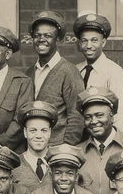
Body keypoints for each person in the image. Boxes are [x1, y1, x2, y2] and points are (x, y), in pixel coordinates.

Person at [68, 13, 123, 144]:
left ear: (103, 42)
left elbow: (120, 113)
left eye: (94, 40)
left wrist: (114, 143)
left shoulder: (114, 71)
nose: (89, 45)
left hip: (102, 137)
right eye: (84, 40)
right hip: (76, 138)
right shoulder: (74, 70)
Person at [26, 12, 84, 145]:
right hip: (33, 149)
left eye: (47, 36)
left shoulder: (69, 71)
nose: (41, 39)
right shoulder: (29, 73)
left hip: (57, 150)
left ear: (57, 39)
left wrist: (65, 150)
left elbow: (76, 116)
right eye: (37, 35)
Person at [10, 101, 58, 194]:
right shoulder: (14, 166)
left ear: (50, 132)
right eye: (33, 130)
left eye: (44, 130)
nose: (38, 135)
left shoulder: (59, 163)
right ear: (25, 132)